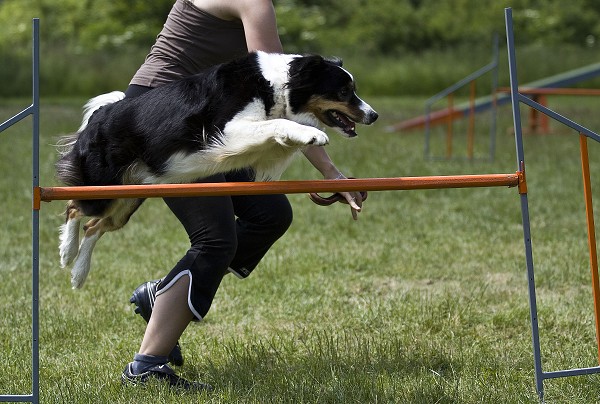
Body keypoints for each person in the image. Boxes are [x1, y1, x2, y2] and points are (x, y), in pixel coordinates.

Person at [120, 0, 365, 390]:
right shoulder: (254, 3)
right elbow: (286, 91)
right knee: (215, 239)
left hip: (204, 115)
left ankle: (160, 297)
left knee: (269, 213)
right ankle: (146, 367)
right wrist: (330, 172)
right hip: (167, 119)